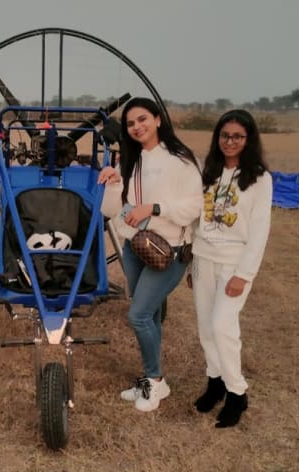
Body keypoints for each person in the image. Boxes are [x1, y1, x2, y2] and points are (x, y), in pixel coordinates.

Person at [98, 97, 203, 412]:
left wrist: (155, 208)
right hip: (134, 247)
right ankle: (152, 378)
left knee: (139, 315)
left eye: (142, 119)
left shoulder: (182, 161)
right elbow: (109, 211)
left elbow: (196, 207)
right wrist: (114, 184)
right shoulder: (130, 161)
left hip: (167, 250)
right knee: (151, 314)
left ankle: (155, 382)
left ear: (158, 120)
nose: (136, 127)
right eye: (130, 124)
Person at [187, 109, 272, 427]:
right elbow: (199, 220)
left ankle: (237, 394)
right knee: (206, 328)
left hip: (234, 265)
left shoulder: (260, 178)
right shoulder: (209, 170)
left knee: (223, 326)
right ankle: (215, 382)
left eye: (237, 136)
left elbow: (260, 231)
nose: (230, 141)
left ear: (248, 140)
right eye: (224, 135)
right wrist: (192, 264)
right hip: (203, 258)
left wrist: (243, 275)